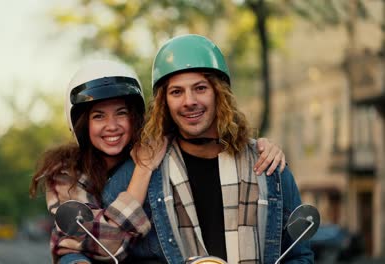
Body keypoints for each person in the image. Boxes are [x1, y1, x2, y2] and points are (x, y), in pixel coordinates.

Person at [29, 59, 287, 264]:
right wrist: (142, 170)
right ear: (82, 124)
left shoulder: (163, 153)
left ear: (136, 117)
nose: (112, 126)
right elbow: (98, 247)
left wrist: (256, 146)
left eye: (121, 113)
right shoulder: (68, 176)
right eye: (98, 116)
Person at [102, 34, 314, 263]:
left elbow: (299, 255)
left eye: (200, 88)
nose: (189, 101)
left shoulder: (269, 168)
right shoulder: (140, 171)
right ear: (164, 102)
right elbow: (105, 252)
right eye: (176, 92)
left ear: (218, 94)